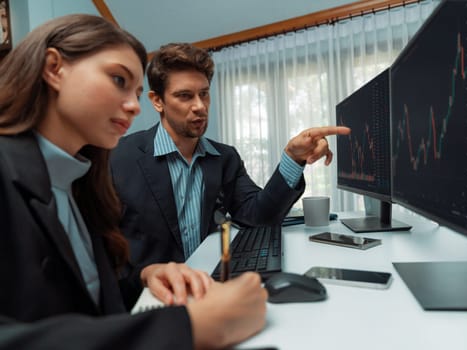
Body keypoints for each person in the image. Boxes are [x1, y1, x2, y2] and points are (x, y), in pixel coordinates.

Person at [0, 14, 267, 349]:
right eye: (118, 80)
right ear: (54, 68)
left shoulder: (79, 179)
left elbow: (92, 301)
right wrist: (190, 327)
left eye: (136, 91)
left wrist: (145, 274)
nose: (133, 106)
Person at [110, 42, 351, 305]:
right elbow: (101, 250)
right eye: (185, 96)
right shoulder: (118, 158)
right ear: (157, 101)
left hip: (209, 291)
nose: (199, 106)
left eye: (204, 94)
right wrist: (143, 277)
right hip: (148, 299)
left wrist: (293, 158)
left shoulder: (224, 158)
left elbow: (258, 216)